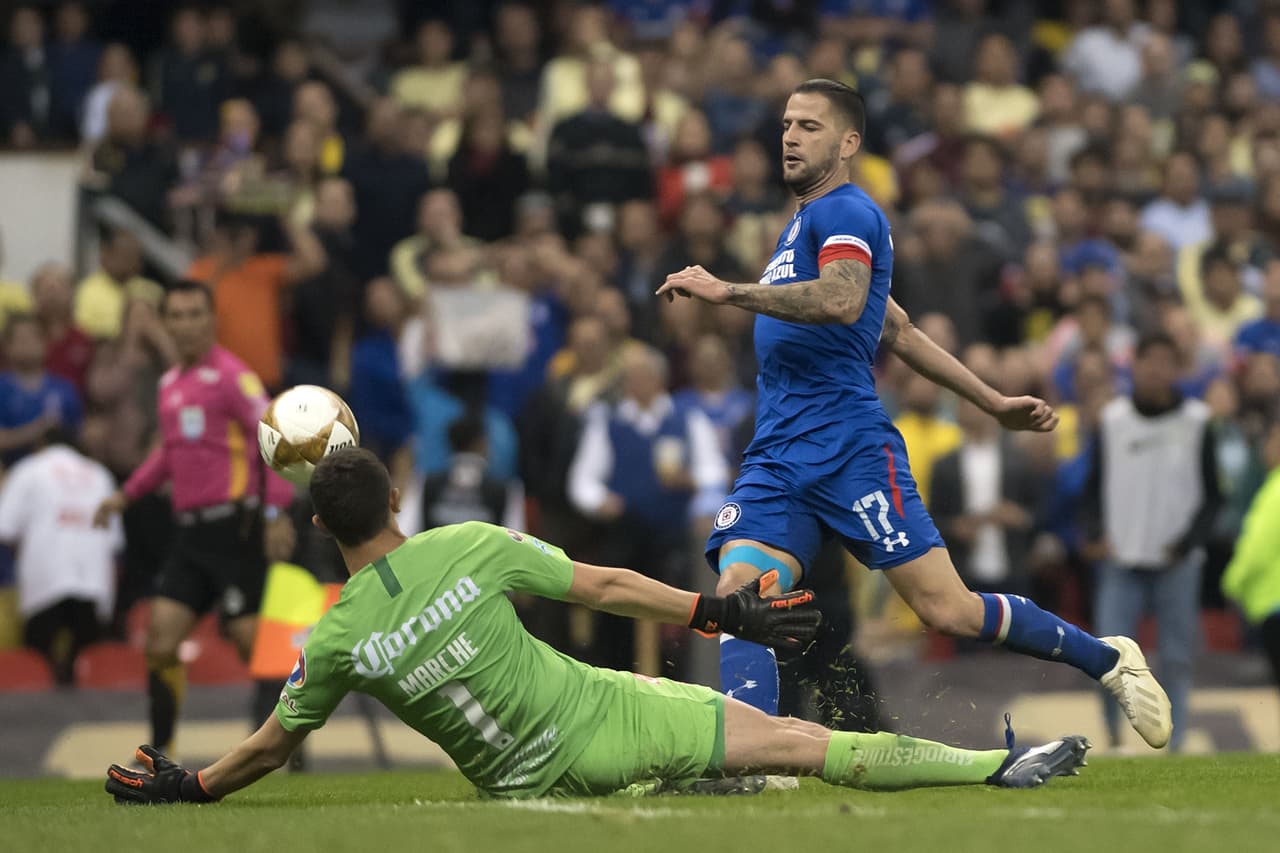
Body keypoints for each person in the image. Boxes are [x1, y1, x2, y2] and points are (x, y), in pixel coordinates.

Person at [104, 448, 1089, 805]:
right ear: (398, 494)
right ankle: (991, 768)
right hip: (603, 717)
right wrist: (720, 609)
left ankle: (708, 771)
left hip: (516, 778)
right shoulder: (471, 544)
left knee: (730, 769)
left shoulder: (335, 638)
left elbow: (273, 746)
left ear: (322, 528)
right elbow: (610, 584)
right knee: (798, 741)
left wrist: (192, 784)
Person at [655, 78, 1173, 749]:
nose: (790, 135)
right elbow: (894, 329)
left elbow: (844, 301)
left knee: (947, 609)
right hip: (780, 452)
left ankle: (1109, 660)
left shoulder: (848, 212)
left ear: (848, 143)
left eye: (810, 126)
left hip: (849, 448)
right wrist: (990, 398)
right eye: (787, 123)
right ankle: (744, 752)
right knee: (740, 593)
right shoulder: (799, 229)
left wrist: (727, 291)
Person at [92, 281, 297, 756]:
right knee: (160, 640)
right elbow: (169, 452)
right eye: (176, 316)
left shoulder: (233, 377)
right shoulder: (169, 384)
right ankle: (160, 751)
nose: (185, 324)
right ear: (165, 324)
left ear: (211, 320)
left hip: (236, 529)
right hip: (189, 534)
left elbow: (277, 443)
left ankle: (282, 745)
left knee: (253, 645)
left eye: (194, 314)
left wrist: (274, 513)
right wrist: (125, 496)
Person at [1079, 333, 1221, 752]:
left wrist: (1189, 541)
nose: (1157, 370)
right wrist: (1093, 534)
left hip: (1178, 562)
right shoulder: (1113, 420)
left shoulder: (1197, 421)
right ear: (1134, 365)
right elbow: (1091, 489)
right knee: (1108, 659)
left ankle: (1173, 747)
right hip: (1121, 560)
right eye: (1150, 361)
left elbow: (1214, 496)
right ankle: (1113, 742)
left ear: (1178, 369)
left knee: (1176, 657)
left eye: (1166, 361)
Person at [0, 425, 120, 684]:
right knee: (87, 669)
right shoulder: (100, 475)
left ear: (41, 444)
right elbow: (114, 542)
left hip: (46, 580)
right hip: (93, 581)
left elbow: (5, 528)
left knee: (37, 666)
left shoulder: (30, 469)